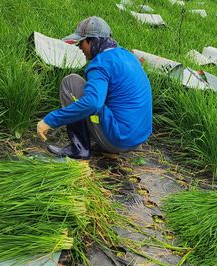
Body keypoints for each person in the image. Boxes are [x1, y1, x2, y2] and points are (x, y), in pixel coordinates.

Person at [36, 16, 152, 159]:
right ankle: (107, 148)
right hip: (137, 138)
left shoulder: (101, 63)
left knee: (71, 83)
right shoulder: (127, 56)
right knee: (103, 95)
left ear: (93, 41)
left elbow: (93, 103)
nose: (79, 48)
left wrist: (50, 120)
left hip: (118, 138)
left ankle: (79, 149)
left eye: (81, 43)